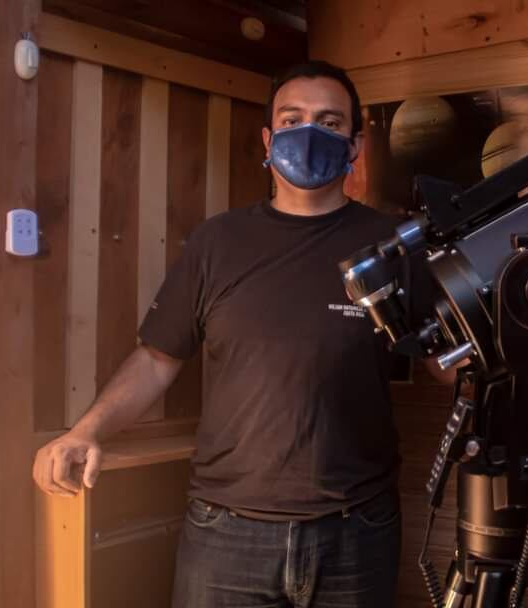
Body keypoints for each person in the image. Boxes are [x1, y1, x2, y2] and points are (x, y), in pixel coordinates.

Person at [32, 60, 454, 607]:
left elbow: (446, 363)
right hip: (227, 535)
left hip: (357, 533)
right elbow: (157, 359)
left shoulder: (391, 247)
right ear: (267, 138)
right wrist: (85, 431)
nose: (308, 133)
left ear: (354, 144)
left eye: (329, 123)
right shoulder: (218, 244)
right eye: (292, 119)